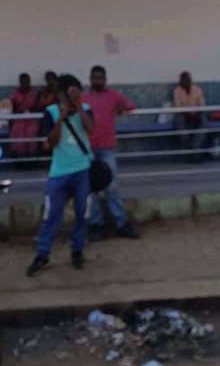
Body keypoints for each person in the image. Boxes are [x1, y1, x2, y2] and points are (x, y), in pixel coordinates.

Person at [26, 74, 94, 275]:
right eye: (71, 93)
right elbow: (51, 142)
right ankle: (43, 253)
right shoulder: (51, 112)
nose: (75, 96)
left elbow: (91, 129)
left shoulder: (86, 109)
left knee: (82, 212)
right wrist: (62, 118)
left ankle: (77, 250)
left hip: (82, 169)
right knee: (51, 215)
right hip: (59, 172)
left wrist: (78, 107)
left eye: (78, 92)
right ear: (62, 94)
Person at [84, 65, 139, 240]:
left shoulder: (113, 96)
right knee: (90, 188)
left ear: (105, 79)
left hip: (107, 149)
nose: (97, 81)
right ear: (90, 79)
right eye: (94, 78)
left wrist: (120, 108)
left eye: (100, 78)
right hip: (88, 149)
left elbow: (131, 105)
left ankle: (121, 223)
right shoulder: (84, 99)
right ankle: (96, 225)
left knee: (111, 186)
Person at [173, 71, 206, 159]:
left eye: (187, 79)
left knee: (204, 120)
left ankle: (194, 148)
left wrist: (196, 114)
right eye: (183, 80)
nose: (185, 81)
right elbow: (177, 107)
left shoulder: (197, 89)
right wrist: (188, 114)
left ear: (190, 80)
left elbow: (202, 105)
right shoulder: (177, 91)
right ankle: (188, 150)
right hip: (183, 115)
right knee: (178, 120)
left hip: (196, 115)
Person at [9, 73, 40, 159]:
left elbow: (37, 107)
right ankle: (19, 159)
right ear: (20, 82)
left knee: (31, 133)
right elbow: (13, 109)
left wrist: (29, 110)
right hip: (19, 119)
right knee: (18, 132)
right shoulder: (15, 93)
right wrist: (20, 111)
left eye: (27, 82)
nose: (25, 84)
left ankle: (31, 158)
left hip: (32, 119)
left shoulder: (35, 93)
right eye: (23, 82)